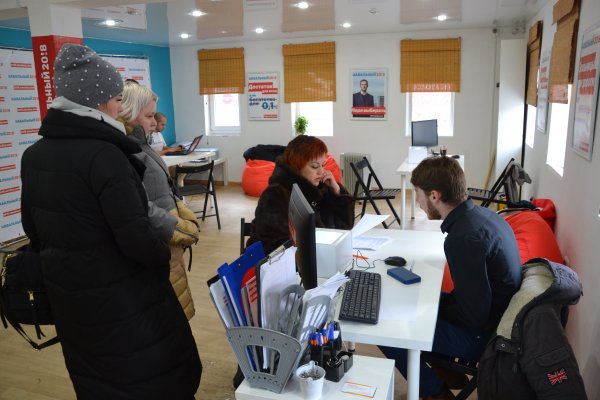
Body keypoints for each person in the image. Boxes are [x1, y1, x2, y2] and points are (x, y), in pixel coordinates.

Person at [20, 43, 201, 399]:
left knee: (96, 379)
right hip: (124, 302)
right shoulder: (107, 155)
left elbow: (33, 231)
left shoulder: (34, 155)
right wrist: (163, 255)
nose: (119, 108)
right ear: (99, 101)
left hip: (71, 301)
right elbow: (137, 238)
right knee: (148, 379)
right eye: (117, 99)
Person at [378, 155, 522, 400]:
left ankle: (436, 393)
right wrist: (433, 303)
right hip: (498, 321)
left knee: (388, 330)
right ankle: (446, 372)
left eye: (418, 194)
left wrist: (432, 308)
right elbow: (473, 298)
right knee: (421, 301)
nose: (418, 201)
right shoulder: (483, 216)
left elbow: (473, 316)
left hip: (485, 339)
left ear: (434, 196)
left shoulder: (463, 238)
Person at [119, 83, 200, 321]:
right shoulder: (126, 151)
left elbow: (163, 188)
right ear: (128, 113)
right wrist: (176, 227)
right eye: (149, 116)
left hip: (168, 236)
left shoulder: (143, 145)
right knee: (168, 312)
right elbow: (139, 203)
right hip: (159, 238)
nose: (154, 123)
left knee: (177, 305)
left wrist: (181, 211)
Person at [247, 135, 354, 254]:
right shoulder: (276, 195)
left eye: (323, 165)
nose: (321, 171)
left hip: (324, 257)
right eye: (314, 166)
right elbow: (275, 249)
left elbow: (345, 227)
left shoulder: (321, 187)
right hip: (289, 263)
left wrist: (337, 192)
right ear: (297, 166)